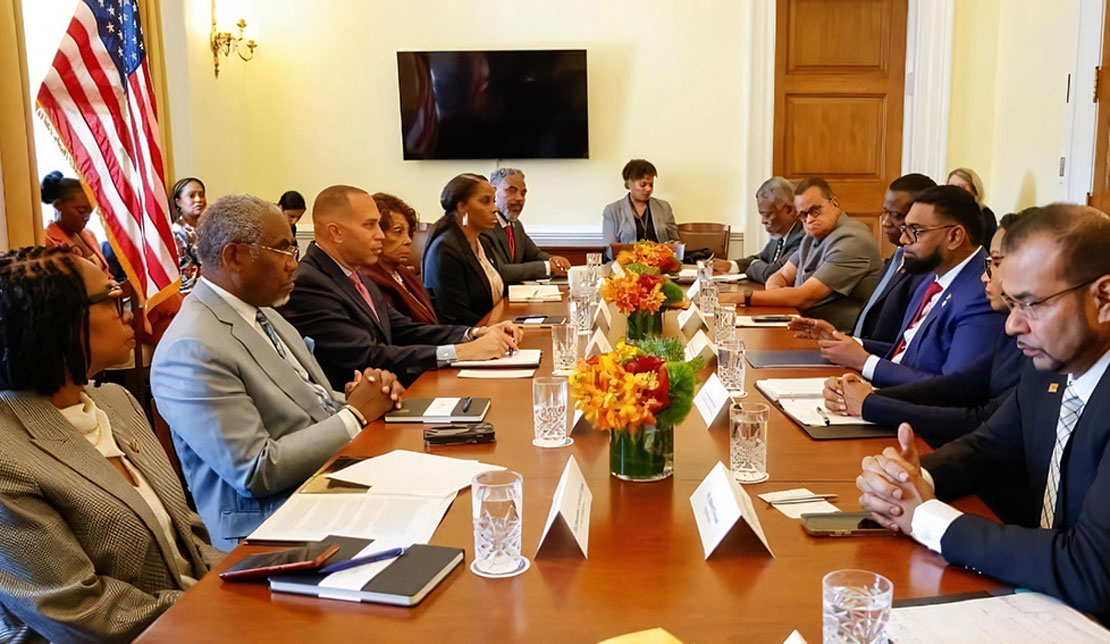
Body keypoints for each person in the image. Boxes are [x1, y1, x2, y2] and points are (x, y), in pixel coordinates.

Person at [855, 204, 1110, 622]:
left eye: (1031, 304)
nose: (1012, 326)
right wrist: (909, 479)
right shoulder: (1048, 367)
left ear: (1104, 298)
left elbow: (1088, 570)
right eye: (1011, 304)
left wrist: (927, 517)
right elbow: (989, 445)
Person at [151, 194, 404, 550]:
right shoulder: (192, 347)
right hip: (268, 529)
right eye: (284, 250)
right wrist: (356, 414)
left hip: (325, 486)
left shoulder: (264, 312)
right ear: (234, 256)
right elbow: (254, 470)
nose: (293, 265)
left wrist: (360, 394)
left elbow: (305, 397)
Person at [0, 247, 220, 642]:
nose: (132, 313)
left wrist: (251, 580)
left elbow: (187, 534)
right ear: (59, 321)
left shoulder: (115, 402)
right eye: (114, 300)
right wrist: (214, 609)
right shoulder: (7, 452)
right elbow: (76, 610)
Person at [280, 185, 522, 387]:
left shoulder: (355, 273)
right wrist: (461, 353)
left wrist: (472, 334)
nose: (380, 235)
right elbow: (366, 355)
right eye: (369, 225)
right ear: (336, 232)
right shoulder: (309, 282)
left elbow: (404, 330)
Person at [823, 212, 1026, 447]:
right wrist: (865, 396)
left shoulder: (984, 304)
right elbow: (960, 385)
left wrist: (871, 403)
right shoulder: (930, 281)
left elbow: (980, 418)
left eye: (995, 264)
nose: (984, 276)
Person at [812, 185, 1002, 387]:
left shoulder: (982, 293)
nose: (903, 240)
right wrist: (847, 343)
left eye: (915, 231)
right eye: (905, 229)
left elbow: (953, 388)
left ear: (954, 236)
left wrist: (865, 362)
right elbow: (907, 352)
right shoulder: (932, 276)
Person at [789, 173, 936, 344]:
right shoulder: (896, 260)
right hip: (855, 349)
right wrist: (842, 340)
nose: (885, 223)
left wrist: (855, 347)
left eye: (896, 216)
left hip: (873, 362)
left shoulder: (923, 273)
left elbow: (901, 346)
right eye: (885, 212)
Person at [724, 177, 883, 330]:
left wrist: (744, 297)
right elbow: (782, 275)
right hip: (805, 324)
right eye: (803, 215)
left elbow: (805, 298)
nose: (809, 219)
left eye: (815, 210)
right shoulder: (812, 235)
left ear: (834, 202)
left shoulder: (852, 239)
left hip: (838, 335)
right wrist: (775, 292)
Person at [422, 174, 506, 326]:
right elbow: (455, 315)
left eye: (493, 201)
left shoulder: (482, 243)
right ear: (462, 207)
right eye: (485, 201)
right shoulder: (445, 249)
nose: (494, 209)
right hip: (466, 339)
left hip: (490, 328)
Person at [481, 168, 571, 283]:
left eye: (523, 193)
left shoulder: (516, 226)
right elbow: (499, 271)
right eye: (512, 190)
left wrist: (554, 260)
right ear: (493, 193)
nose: (520, 198)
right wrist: (547, 267)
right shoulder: (484, 227)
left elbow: (535, 254)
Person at [363, 193, 441, 324]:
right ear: (376, 233)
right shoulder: (369, 279)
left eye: (409, 232)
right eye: (398, 231)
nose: (408, 240)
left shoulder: (403, 272)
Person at [712, 176, 804, 283]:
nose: (763, 221)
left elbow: (774, 274)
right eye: (762, 215)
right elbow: (762, 258)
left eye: (768, 215)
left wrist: (753, 264)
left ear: (789, 210)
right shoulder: (779, 236)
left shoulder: (803, 237)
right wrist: (731, 266)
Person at [601, 159, 679, 259]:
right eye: (643, 185)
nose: (648, 189)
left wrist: (662, 247)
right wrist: (641, 249)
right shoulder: (612, 210)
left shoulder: (664, 207)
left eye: (651, 184)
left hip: (660, 266)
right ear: (629, 183)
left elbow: (676, 243)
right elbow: (610, 251)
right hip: (626, 268)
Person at [41, 171, 110, 276]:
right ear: (58, 205)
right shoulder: (47, 240)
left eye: (90, 212)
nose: (87, 217)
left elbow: (105, 273)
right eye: (81, 211)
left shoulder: (89, 234)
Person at [171, 177, 206, 292]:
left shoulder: (208, 226)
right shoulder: (178, 232)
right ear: (178, 202)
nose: (198, 200)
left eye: (201, 195)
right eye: (192, 196)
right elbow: (186, 277)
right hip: (193, 293)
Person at [947, 167, 997, 247]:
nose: (955, 191)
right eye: (951, 187)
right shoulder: (942, 214)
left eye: (961, 187)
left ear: (974, 190)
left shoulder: (985, 215)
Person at [279, 190, 306, 258]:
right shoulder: (266, 224)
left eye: (299, 217)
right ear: (280, 208)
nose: (294, 221)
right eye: (291, 216)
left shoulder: (292, 228)